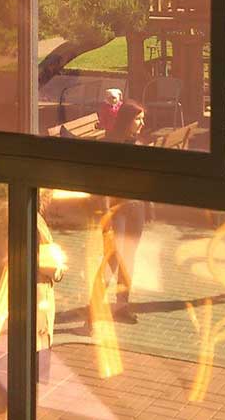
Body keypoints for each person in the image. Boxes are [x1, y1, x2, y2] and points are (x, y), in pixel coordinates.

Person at [0, 189, 66, 418]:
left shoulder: (2, 212)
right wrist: (54, 261)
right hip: (24, 317)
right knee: (8, 390)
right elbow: (47, 264)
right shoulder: (22, 214)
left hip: (19, 316)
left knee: (10, 388)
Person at [102, 100, 147, 322]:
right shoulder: (111, 144)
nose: (142, 123)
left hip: (136, 208)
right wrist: (106, 214)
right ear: (126, 120)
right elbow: (101, 181)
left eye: (142, 119)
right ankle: (94, 309)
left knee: (129, 258)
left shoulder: (138, 144)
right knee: (111, 260)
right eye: (138, 119)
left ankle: (121, 306)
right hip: (117, 209)